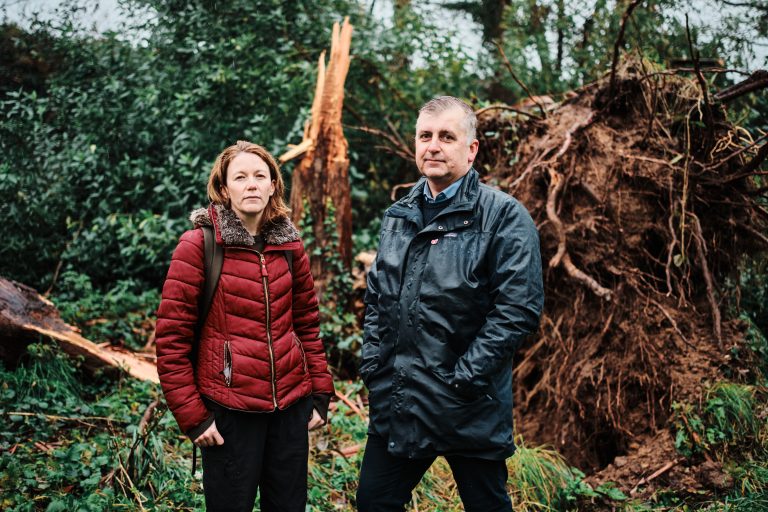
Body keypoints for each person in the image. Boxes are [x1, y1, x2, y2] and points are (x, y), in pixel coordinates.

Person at [356, 96, 544, 511]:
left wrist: (463, 378)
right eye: (425, 136)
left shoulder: (504, 216)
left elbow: (518, 309)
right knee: (374, 502)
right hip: (401, 400)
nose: (433, 146)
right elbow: (378, 297)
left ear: (471, 149)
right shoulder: (399, 215)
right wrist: (373, 363)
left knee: (486, 506)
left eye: (446, 136)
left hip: (468, 404)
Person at [155, 140, 334, 512]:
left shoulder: (290, 246)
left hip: (290, 408)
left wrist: (319, 392)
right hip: (229, 412)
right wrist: (193, 417)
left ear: (272, 186)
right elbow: (171, 341)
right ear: (224, 189)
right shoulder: (198, 246)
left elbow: (307, 326)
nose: (251, 184)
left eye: (259, 176)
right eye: (240, 177)